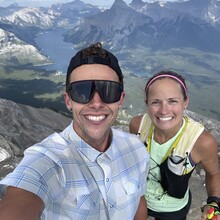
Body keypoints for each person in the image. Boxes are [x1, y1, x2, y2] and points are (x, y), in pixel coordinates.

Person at [0, 42, 150, 220]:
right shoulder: (47, 162)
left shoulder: (137, 149)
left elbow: (138, 202)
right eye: (82, 91)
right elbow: (20, 201)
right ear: (68, 101)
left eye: (108, 90)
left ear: (121, 99)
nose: (96, 103)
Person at [129, 70, 220, 220]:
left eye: (172, 101)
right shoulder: (138, 126)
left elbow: (214, 174)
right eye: (156, 102)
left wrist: (214, 203)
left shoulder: (201, 142)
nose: (164, 110)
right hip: (139, 199)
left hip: (173, 210)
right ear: (147, 103)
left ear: (185, 102)